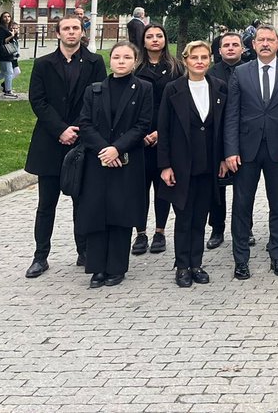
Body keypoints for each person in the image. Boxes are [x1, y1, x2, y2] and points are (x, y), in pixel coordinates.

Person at [23, 16, 107, 278]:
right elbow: (37, 100)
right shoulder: (43, 64)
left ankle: (83, 251)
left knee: (82, 202)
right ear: (58, 33)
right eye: (66, 29)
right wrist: (60, 129)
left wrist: (77, 129)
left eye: (75, 29)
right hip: (50, 141)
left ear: (82, 33)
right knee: (46, 204)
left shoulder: (95, 62)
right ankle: (40, 256)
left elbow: (99, 97)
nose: (71, 33)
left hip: (82, 141)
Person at [223, 25, 278, 279]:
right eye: (261, 40)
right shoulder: (240, 72)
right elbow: (231, 115)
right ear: (253, 44)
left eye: (271, 40)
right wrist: (230, 150)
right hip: (245, 151)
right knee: (241, 206)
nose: (266, 44)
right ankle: (241, 260)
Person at [74, 41, 154, 287]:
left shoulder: (143, 88)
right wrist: (104, 150)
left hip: (127, 160)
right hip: (98, 161)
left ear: (134, 61)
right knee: (97, 213)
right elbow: (85, 124)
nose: (121, 61)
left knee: (121, 213)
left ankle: (117, 267)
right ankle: (97, 267)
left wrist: (117, 148)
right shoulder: (94, 90)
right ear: (110, 60)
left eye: (126, 57)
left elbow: (143, 124)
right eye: (117, 57)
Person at [156, 40, 228, 288]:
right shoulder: (173, 89)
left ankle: (197, 263)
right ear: (186, 60)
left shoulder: (218, 88)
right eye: (194, 57)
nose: (200, 61)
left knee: (200, 217)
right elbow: (163, 129)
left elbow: (222, 128)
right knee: (184, 216)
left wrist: (222, 159)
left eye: (204, 57)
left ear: (210, 60)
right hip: (181, 164)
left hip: (208, 163)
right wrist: (165, 165)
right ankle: (182, 265)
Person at [131, 23, 183, 257]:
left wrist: (161, 132)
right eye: (149, 36)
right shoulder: (134, 67)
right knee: (139, 188)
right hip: (138, 137)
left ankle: (160, 231)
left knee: (163, 187)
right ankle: (140, 232)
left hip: (166, 135)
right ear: (143, 41)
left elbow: (179, 105)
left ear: (165, 39)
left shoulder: (175, 68)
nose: (154, 40)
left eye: (159, 36)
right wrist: (139, 133)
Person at [206, 31, 244, 249]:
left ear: (242, 48)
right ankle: (217, 229)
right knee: (217, 189)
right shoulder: (211, 74)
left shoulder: (250, 70)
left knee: (243, 188)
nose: (230, 48)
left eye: (235, 44)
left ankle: (244, 228)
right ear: (219, 50)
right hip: (217, 138)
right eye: (226, 45)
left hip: (245, 137)